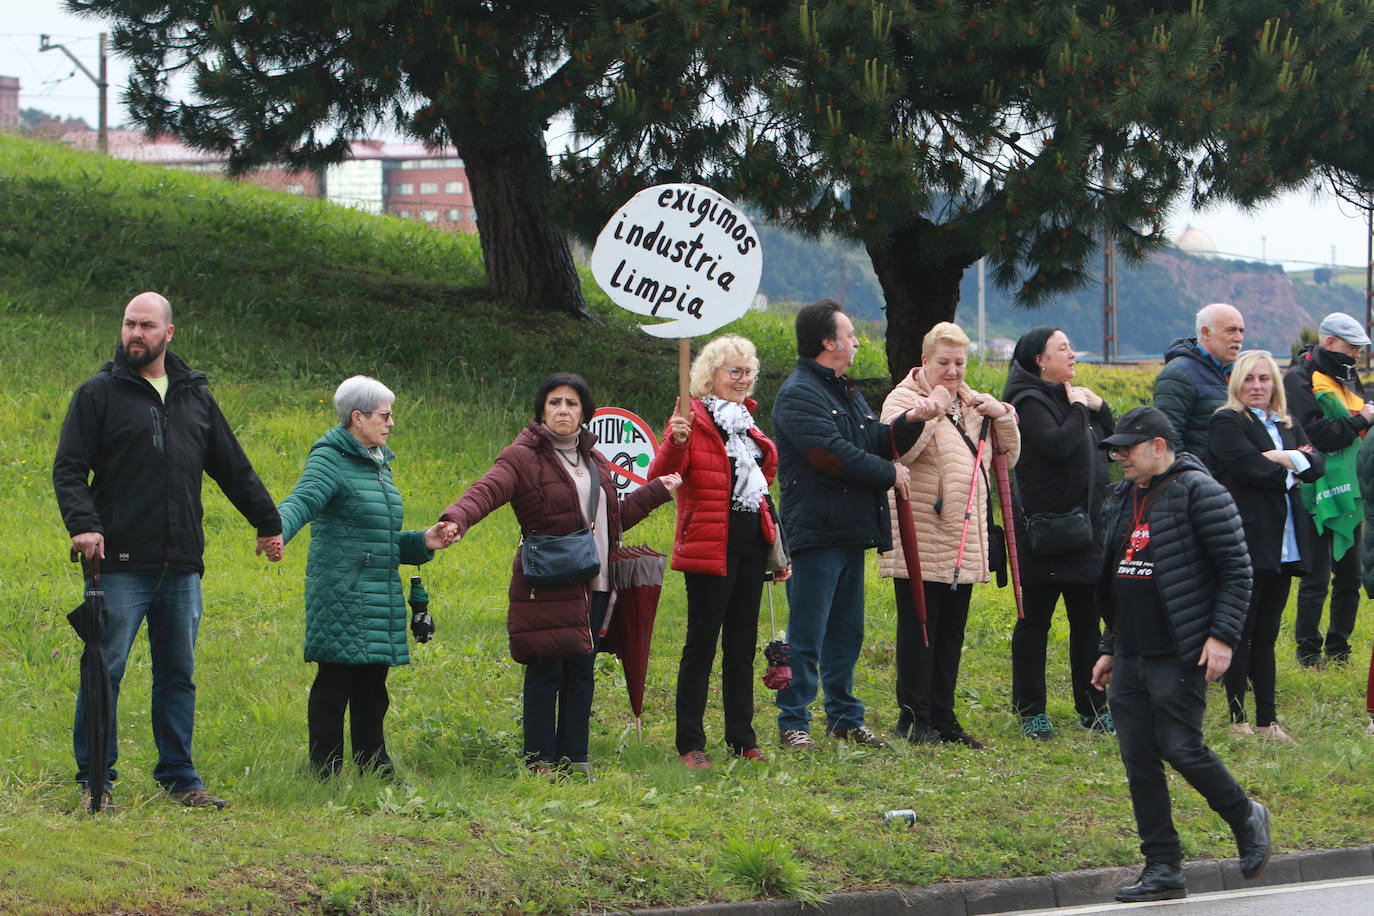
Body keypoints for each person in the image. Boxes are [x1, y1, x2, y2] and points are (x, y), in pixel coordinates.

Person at [53, 291, 282, 811]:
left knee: (178, 673)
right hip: (117, 566)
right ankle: (96, 783)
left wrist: (268, 523)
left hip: (181, 565)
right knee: (103, 670)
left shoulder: (193, 395)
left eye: (147, 326)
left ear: (169, 333)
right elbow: (69, 469)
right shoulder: (98, 395)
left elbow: (231, 464)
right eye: (129, 324)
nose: (135, 334)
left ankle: (180, 777)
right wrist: (84, 525)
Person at [439, 373, 679, 778]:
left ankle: (574, 759)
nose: (563, 410)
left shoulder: (595, 460)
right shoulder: (521, 457)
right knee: (545, 671)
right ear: (541, 410)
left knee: (582, 672)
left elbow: (611, 522)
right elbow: (486, 490)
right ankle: (539, 763)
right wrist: (456, 519)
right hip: (548, 582)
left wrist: (656, 491)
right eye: (554, 402)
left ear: (585, 411)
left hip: (596, 582)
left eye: (571, 403)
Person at [1090, 406, 1270, 903]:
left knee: (1181, 748)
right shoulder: (1123, 496)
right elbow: (1117, 576)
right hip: (1131, 652)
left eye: (1128, 447)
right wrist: (1109, 646)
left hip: (1182, 650)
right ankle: (1163, 867)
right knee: (1139, 760)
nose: (1119, 455)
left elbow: (1237, 571)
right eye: (1116, 448)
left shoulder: (1201, 492)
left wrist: (1223, 637)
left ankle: (1245, 815)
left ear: (1159, 447)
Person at [770, 299, 945, 752]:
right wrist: (888, 473)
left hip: (849, 531)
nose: (855, 342)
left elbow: (873, 440)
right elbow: (827, 453)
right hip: (815, 533)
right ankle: (794, 721)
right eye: (849, 334)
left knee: (847, 633)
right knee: (808, 633)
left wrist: (911, 420)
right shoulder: (798, 393)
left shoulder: (845, 390)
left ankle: (845, 717)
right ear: (827, 342)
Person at [275, 376, 456, 779]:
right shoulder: (330, 459)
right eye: (385, 416)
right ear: (357, 418)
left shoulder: (377, 464)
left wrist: (422, 541)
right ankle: (325, 770)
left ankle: (374, 764)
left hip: (377, 591)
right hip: (343, 591)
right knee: (335, 683)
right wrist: (277, 530)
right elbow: (302, 499)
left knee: (373, 687)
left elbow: (378, 538)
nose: (391, 424)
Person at [879, 321, 1020, 748]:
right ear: (925, 362)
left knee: (951, 633)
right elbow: (896, 450)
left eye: (959, 362)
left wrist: (1004, 416)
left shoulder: (973, 402)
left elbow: (1007, 460)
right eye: (944, 362)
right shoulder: (903, 398)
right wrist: (929, 410)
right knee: (920, 628)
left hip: (963, 539)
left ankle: (944, 717)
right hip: (920, 532)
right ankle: (913, 718)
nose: (953, 371)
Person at [648, 335, 779, 769]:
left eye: (748, 372)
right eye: (734, 371)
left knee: (742, 646)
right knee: (701, 645)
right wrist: (675, 442)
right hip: (709, 544)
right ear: (712, 375)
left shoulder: (745, 423)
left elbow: (762, 484)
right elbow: (661, 476)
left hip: (750, 543)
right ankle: (690, 744)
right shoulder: (691, 418)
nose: (743, 380)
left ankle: (742, 738)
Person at [1001, 327, 1113, 742]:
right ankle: (1031, 710)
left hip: (1084, 530)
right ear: (1039, 361)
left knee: (1087, 622)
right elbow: (1057, 444)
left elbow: (1110, 437)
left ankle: (1093, 708)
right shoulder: (1028, 401)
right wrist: (1082, 406)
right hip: (1047, 532)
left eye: (1071, 346)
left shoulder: (1063, 397)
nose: (1071, 354)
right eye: (1062, 348)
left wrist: (1098, 405)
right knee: (1035, 624)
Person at [1209, 352, 1324, 744]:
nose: (1257, 385)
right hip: (1247, 541)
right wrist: (1292, 463)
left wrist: (1277, 458)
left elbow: (1318, 465)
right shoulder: (1227, 420)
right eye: (1249, 379)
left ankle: (1268, 722)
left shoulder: (1287, 423)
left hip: (1287, 543)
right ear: (1237, 384)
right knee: (1241, 631)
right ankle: (1238, 719)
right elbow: (1248, 468)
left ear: (1275, 383)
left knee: (1268, 635)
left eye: (1265, 378)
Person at [1284, 312, 1373, 668]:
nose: (1357, 356)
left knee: (1350, 575)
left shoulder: (1347, 376)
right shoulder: (1298, 378)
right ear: (1330, 342)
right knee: (1316, 577)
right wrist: (1362, 419)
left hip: (1350, 489)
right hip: (1314, 491)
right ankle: (1308, 652)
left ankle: (1339, 650)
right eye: (1352, 348)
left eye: (1361, 350)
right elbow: (1316, 434)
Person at [1152, 302, 1245, 456]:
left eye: (1241, 331)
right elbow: (1169, 439)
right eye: (1231, 330)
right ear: (1206, 333)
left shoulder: (1239, 375)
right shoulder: (1178, 375)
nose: (1238, 338)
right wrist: (1192, 477)